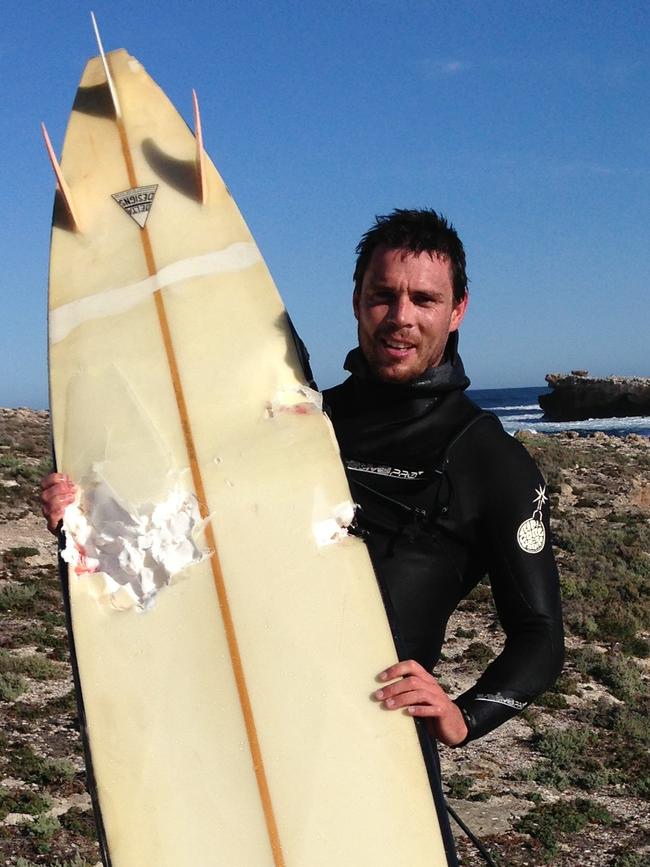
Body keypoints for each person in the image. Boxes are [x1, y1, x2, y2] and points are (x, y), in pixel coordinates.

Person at [41, 207, 563, 860]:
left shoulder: (491, 461)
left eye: (424, 298)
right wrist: (89, 523)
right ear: (356, 300)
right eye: (383, 294)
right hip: (235, 725)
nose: (401, 315)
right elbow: (196, 538)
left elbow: (541, 636)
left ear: (456, 310)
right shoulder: (293, 419)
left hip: (376, 766)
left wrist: (463, 716)